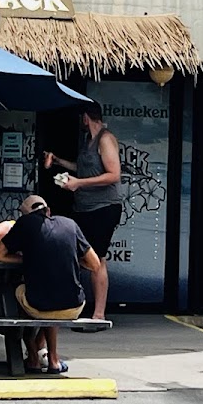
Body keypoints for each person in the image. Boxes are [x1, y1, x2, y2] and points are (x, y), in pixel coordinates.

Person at [0, 195, 101, 374]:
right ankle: (53, 360)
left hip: (39, 304)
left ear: (25, 215)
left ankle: (33, 355)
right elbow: (94, 264)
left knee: (19, 292)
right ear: (48, 211)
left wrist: (27, 259)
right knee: (52, 292)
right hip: (75, 305)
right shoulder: (70, 224)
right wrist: (67, 258)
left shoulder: (25, 223)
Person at [43, 103, 122, 321]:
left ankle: (99, 313)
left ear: (86, 118)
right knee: (77, 255)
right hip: (83, 207)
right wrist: (59, 162)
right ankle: (75, 304)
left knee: (97, 257)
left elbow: (114, 174)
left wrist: (79, 184)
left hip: (103, 207)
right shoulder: (87, 141)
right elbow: (84, 168)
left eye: (81, 118)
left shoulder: (105, 139)